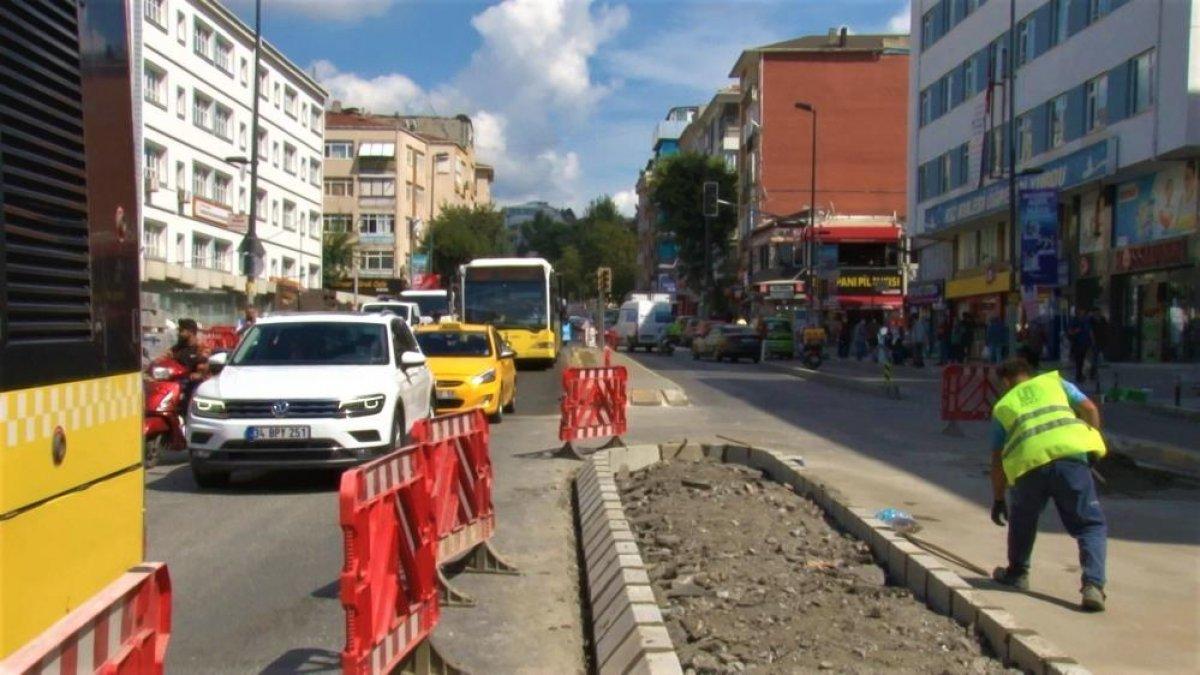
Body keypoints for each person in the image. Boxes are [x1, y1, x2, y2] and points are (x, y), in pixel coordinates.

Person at [988, 358, 1108, 612]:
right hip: (1071, 459)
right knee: (1090, 525)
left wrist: (998, 498)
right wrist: (1092, 445)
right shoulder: (1056, 383)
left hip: (1029, 465)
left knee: (1023, 520)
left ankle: (1018, 573)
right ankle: (1093, 586)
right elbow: (1089, 409)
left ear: (1007, 381)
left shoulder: (1004, 406)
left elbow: (997, 459)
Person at [1066, 307, 1093, 383]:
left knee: (1083, 360)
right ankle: (1079, 375)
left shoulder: (1086, 320)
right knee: (1079, 360)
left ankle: (1082, 375)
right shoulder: (1074, 321)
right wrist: (1076, 331)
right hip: (1077, 343)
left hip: (1085, 343)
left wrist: (1092, 341)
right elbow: (1070, 331)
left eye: (1083, 311)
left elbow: (1089, 331)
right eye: (1081, 311)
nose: (1082, 313)